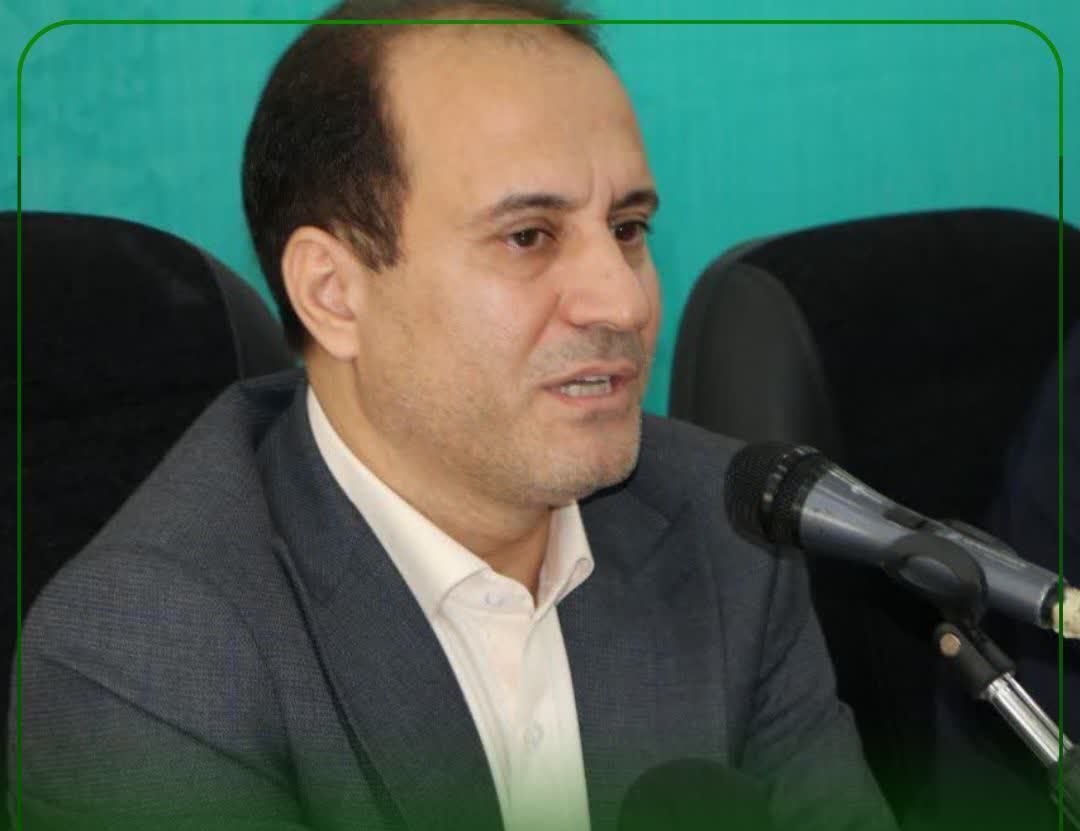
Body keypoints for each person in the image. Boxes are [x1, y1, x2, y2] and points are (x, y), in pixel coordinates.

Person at [11, 2, 897, 829]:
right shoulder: (148, 652)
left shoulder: (725, 530)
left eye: (627, 228)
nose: (623, 302)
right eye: (528, 236)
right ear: (334, 293)